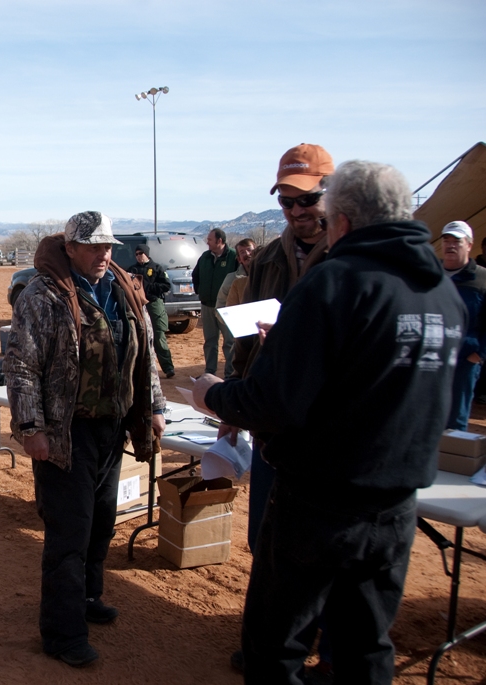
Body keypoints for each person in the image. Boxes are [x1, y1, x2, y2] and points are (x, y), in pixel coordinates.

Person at [193, 160, 465, 684]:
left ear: (339, 220)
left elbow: (277, 403)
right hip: (396, 504)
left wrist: (214, 396)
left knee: (275, 647)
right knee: (364, 645)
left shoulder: (335, 282)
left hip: (320, 501)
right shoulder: (440, 291)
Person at [4, 211, 166, 668]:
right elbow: (21, 365)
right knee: (69, 531)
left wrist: (154, 406)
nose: (103, 254)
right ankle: (62, 632)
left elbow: (146, 352)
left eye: (108, 246)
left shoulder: (122, 287)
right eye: (93, 246)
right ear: (70, 248)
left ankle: (89, 598)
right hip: (66, 432)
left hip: (112, 426)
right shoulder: (43, 295)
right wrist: (31, 428)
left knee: (101, 522)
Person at [221, 144, 335, 679]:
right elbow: (246, 342)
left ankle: (329, 654)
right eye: (287, 203)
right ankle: (272, 642)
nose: (296, 212)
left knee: (328, 547)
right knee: (266, 539)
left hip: (328, 429)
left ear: (331, 195)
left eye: (306, 200)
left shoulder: (351, 258)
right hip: (272, 424)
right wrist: (235, 402)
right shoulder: (267, 260)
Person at [440, 220, 486, 429]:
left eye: (457, 241)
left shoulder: (485, 279)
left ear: (469, 245)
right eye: (446, 240)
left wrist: (478, 356)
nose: (450, 245)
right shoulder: (430, 274)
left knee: (455, 423)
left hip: (464, 362)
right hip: (431, 359)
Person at [192, 228, 238, 376]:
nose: (207, 242)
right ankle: (210, 372)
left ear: (219, 241)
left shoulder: (233, 257)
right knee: (210, 341)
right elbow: (195, 275)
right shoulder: (205, 257)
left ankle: (230, 374)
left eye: (210, 240)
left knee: (229, 342)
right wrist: (200, 291)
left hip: (227, 307)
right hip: (207, 305)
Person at [127, 246, 176, 378]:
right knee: (140, 336)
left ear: (147, 254)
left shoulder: (156, 268)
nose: (139, 256)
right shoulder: (132, 270)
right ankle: (142, 371)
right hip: (138, 305)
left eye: (141, 253)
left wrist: (149, 287)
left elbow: (166, 285)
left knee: (159, 336)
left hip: (154, 303)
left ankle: (168, 368)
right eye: (136, 254)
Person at [216, 238, 255, 309]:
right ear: (239, 259)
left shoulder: (267, 276)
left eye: (249, 250)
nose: (247, 254)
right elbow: (220, 305)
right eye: (242, 252)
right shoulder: (231, 279)